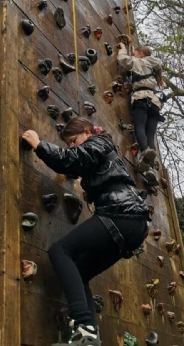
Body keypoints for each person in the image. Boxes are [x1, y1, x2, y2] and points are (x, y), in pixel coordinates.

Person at [22, 117, 149, 346]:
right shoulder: (101, 151)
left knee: (60, 251)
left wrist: (38, 144)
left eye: (74, 140)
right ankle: (88, 337)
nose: (73, 146)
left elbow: (71, 159)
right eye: (69, 143)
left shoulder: (99, 143)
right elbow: (80, 161)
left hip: (121, 215)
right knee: (80, 273)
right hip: (131, 225)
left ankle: (83, 325)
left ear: (88, 132)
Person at [116, 42, 165, 185]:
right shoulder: (154, 65)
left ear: (141, 54)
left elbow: (123, 60)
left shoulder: (139, 62)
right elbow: (158, 65)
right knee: (150, 135)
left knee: (139, 128)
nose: (134, 55)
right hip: (155, 103)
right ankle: (151, 170)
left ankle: (144, 152)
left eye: (135, 53)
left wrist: (123, 49)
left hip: (141, 98)